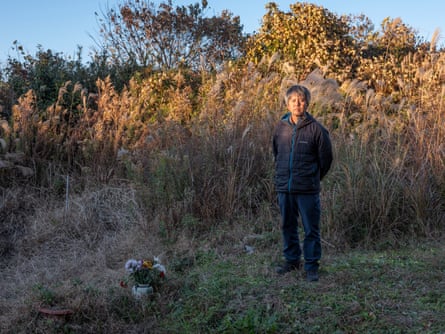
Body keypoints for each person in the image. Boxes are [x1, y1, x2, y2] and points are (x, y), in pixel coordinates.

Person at [272, 85, 333, 282]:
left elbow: (326, 159)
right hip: (285, 187)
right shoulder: (280, 128)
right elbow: (277, 153)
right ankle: (291, 261)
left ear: (307, 102)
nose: (297, 104)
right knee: (287, 225)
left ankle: (311, 266)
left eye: (301, 100)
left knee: (310, 228)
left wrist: (313, 177)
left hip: (307, 188)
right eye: (293, 101)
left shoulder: (317, 130)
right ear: (287, 104)